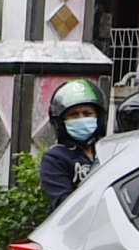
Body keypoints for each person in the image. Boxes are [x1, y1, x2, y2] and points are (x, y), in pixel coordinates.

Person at [38, 77, 107, 205]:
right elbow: (63, 203)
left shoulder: (107, 151)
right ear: (61, 121)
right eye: (74, 114)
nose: (81, 118)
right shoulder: (55, 158)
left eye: (87, 113)